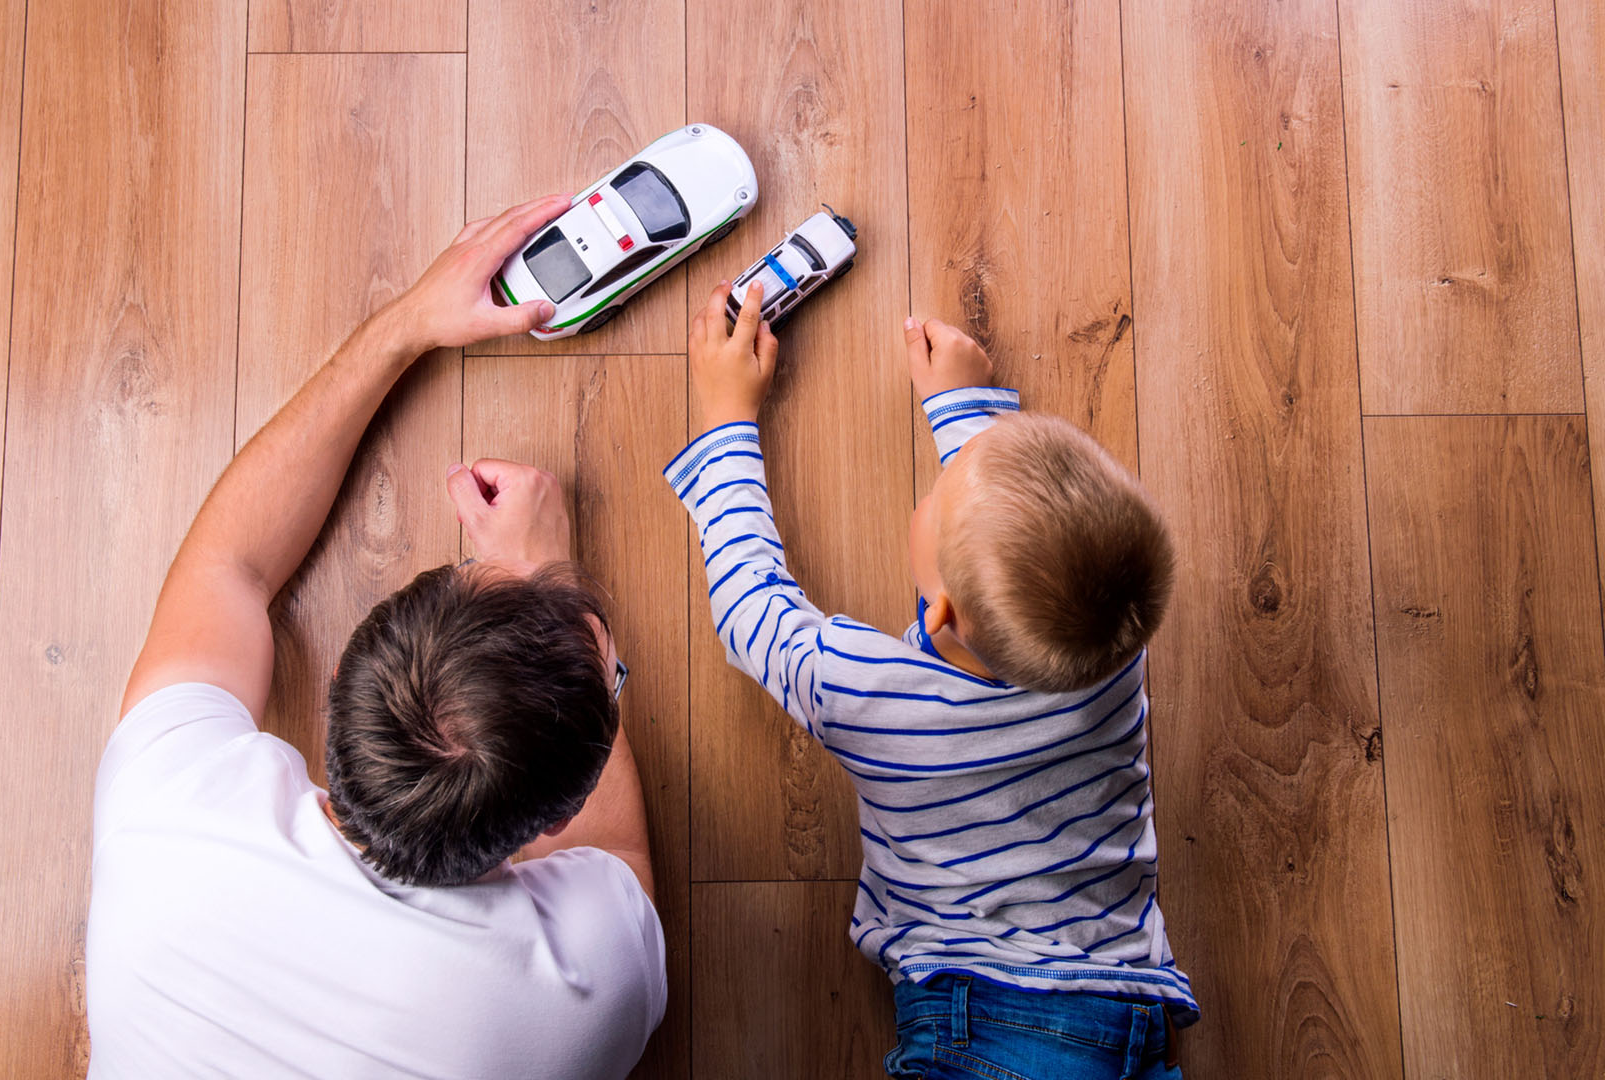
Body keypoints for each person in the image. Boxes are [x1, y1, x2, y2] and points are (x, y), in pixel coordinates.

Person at [85, 195, 666, 1079]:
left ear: (349, 687)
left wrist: (404, 326)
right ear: (550, 820)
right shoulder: (582, 997)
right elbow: (615, 862)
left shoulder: (168, 807)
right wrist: (550, 586)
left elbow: (230, 564)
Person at [669, 281, 1193, 1079]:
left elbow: (752, 609)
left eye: (940, 494)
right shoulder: (1113, 641)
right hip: (1123, 988)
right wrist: (964, 407)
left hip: (990, 1027)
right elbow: (1037, 548)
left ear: (940, 606)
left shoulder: (868, 699)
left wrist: (726, 416)